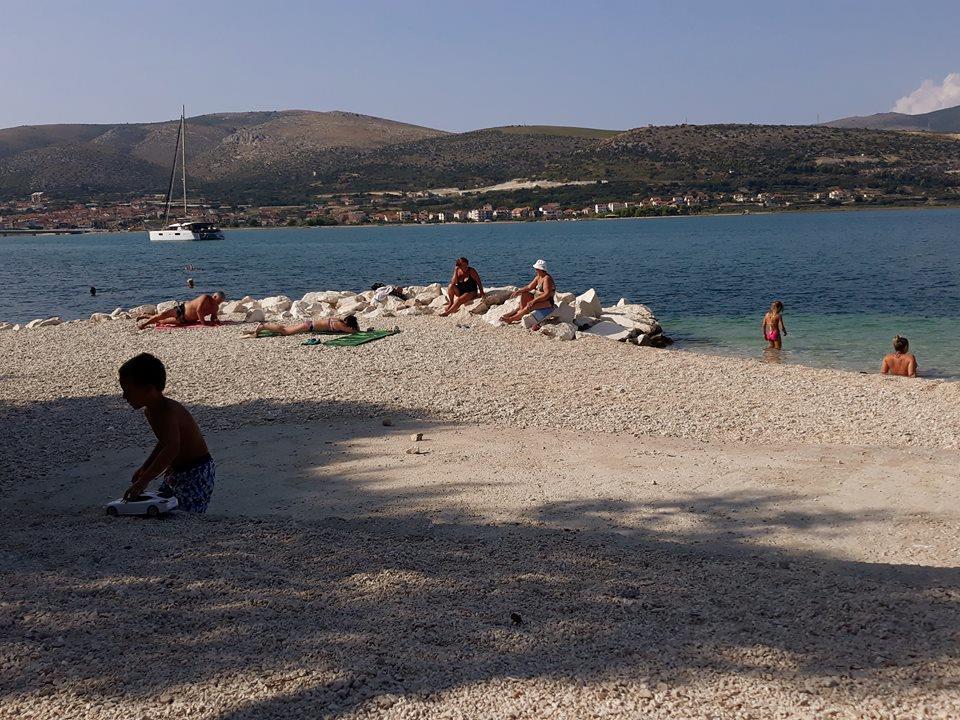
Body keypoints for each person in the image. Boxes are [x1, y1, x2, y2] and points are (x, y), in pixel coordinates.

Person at [119, 353, 215, 513]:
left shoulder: (167, 412)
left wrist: (144, 480)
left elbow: (171, 448)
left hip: (196, 471)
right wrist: (145, 467)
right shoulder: (150, 411)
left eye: (128, 391)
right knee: (164, 508)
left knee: (184, 514)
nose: (124, 397)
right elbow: (164, 442)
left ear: (149, 389)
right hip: (176, 470)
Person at [501, 259, 556, 328]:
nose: (535, 270)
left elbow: (546, 294)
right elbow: (529, 287)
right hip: (538, 298)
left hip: (547, 302)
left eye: (536, 269)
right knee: (524, 294)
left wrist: (533, 301)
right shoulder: (538, 277)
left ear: (540, 269)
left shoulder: (546, 279)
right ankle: (521, 312)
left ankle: (511, 319)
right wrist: (519, 291)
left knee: (529, 306)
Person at [137, 291, 226, 330]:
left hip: (186, 320)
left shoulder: (215, 308)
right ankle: (144, 324)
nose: (219, 303)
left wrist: (215, 320)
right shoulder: (205, 297)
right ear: (214, 296)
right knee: (162, 315)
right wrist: (203, 323)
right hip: (182, 310)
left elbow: (213, 317)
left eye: (220, 302)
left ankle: (146, 316)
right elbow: (199, 310)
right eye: (219, 301)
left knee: (162, 321)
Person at [242, 314, 360, 338]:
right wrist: (356, 327)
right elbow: (353, 332)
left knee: (285, 328)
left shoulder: (338, 319)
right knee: (285, 331)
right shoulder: (339, 324)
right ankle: (263, 326)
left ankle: (261, 328)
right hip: (309, 327)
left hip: (309, 324)